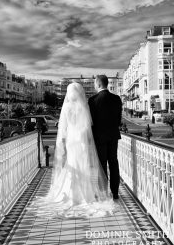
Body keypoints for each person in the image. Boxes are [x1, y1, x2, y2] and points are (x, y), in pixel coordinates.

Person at [30, 82, 116, 218]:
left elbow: (63, 127)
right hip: (81, 138)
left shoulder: (66, 106)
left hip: (71, 139)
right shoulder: (84, 106)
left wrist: (63, 141)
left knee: (72, 163)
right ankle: (86, 193)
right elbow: (88, 126)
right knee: (83, 165)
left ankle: (71, 192)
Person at [88, 75, 122, 200]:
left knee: (101, 165)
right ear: (107, 84)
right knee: (113, 163)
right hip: (113, 136)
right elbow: (118, 120)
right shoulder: (116, 98)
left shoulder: (92, 100)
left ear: (98, 84)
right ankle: (115, 193)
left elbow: (91, 121)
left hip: (99, 137)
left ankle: (103, 192)